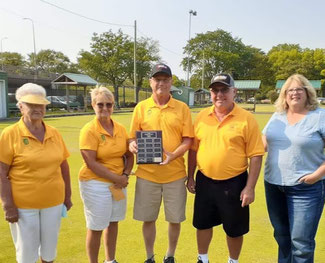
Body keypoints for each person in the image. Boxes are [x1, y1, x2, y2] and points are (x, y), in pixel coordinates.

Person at [187, 73, 264, 263]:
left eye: (224, 90)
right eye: (215, 90)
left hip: (235, 182)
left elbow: (255, 155)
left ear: (234, 92)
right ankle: (202, 259)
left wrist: (250, 187)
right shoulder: (202, 116)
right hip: (205, 180)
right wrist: (190, 177)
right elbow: (194, 150)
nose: (219, 94)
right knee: (202, 223)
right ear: (210, 93)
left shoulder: (246, 119)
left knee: (234, 227)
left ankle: (233, 261)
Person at [0, 83, 72, 263]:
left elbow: (63, 165)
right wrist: (8, 204)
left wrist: (67, 195)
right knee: (26, 255)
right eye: (31, 104)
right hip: (23, 205)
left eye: (41, 104)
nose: (37, 108)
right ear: (20, 106)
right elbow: (1, 171)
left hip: (53, 202)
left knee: (49, 252)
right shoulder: (10, 134)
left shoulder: (54, 133)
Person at [128, 63, 193, 263]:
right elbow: (132, 138)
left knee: (174, 220)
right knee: (148, 219)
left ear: (171, 82)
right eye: (157, 79)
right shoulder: (141, 107)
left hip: (175, 174)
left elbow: (188, 140)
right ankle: (150, 257)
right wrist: (132, 145)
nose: (161, 83)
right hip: (147, 174)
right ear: (151, 82)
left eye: (165, 80)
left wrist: (173, 155)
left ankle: (170, 255)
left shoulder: (182, 108)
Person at [262, 74, 325, 262]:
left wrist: (317, 175)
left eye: (299, 89)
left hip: (306, 188)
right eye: (290, 90)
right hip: (274, 185)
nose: (295, 93)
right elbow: (263, 141)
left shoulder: (319, 116)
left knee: (301, 244)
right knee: (282, 237)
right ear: (284, 94)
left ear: (307, 92)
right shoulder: (277, 116)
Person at [79, 86, 133, 263]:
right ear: (93, 105)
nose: (105, 108)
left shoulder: (120, 128)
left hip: (118, 183)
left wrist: (125, 174)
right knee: (96, 226)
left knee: (113, 222)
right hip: (95, 183)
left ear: (113, 106)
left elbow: (128, 155)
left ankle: (110, 260)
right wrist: (118, 178)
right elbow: (91, 163)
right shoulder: (89, 130)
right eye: (100, 104)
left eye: (108, 105)